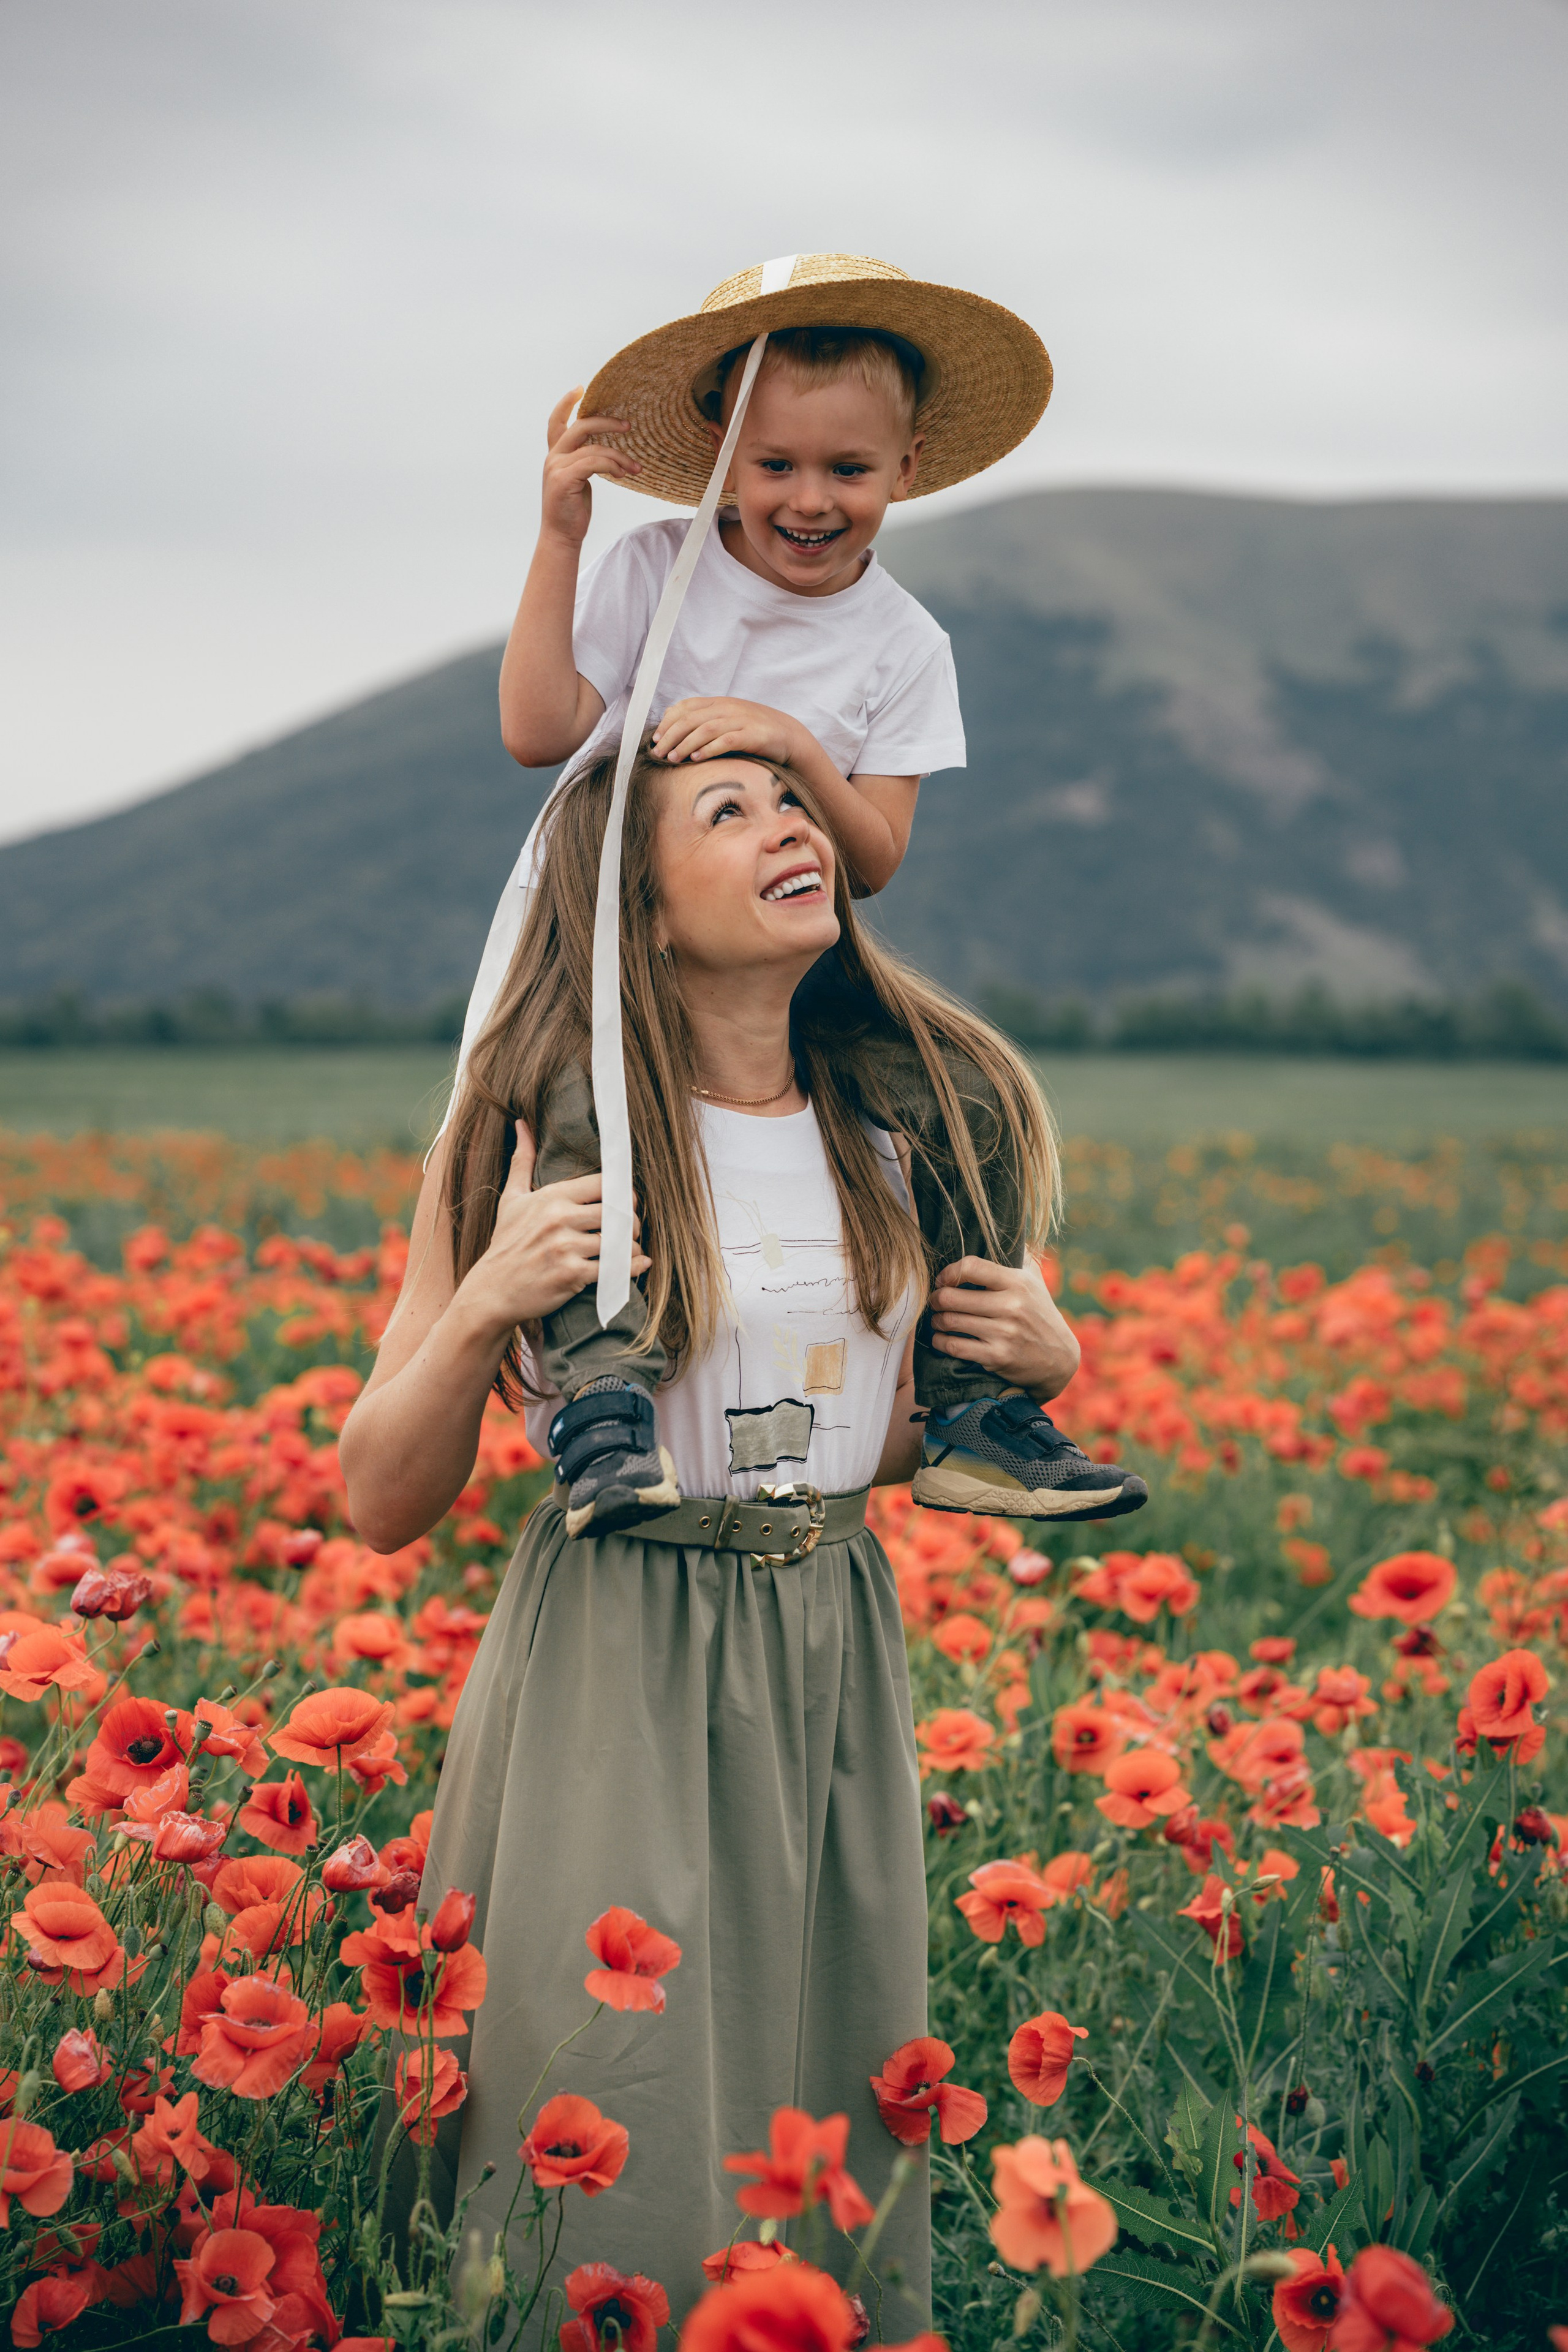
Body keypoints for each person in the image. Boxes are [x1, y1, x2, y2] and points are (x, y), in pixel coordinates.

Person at [340, 737, 1087, 2326]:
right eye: (728, 809)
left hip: (826, 1643)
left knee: (814, 2098)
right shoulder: (538, 1137)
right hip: (618, 1642)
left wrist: (1046, 1355)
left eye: (798, 798)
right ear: (642, 910)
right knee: (614, 2102)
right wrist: (485, 1302)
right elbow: (380, 1497)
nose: (790, 824)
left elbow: (868, 1445)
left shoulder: (897, 1135)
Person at [454, 253, 1148, 1533]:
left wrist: (785, 744)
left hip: (792, 953)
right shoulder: (657, 567)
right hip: (622, 938)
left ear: (909, 467)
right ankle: (604, 1408)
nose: (808, 499)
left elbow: (871, 857)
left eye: (848, 470)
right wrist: (561, 537)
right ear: (721, 453)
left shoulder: (903, 644)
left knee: (961, 1092)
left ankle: (969, 1406)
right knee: (580, 1114)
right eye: (773, 465)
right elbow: (535, 729)